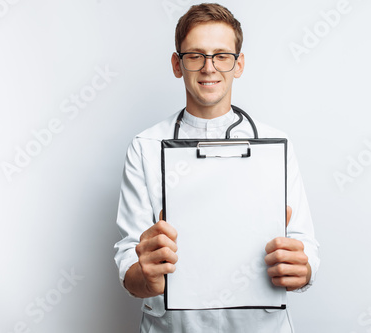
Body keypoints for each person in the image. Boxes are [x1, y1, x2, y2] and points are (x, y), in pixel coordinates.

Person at [114, 3, 319, 332]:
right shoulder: (146, 147)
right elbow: (131, 268)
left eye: (222, 55)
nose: (209, 67)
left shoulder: (276, 145)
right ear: (177, 65)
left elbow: (304, 247)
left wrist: (302, 270)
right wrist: (146, 276)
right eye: (195, 55)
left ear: (238, 65)